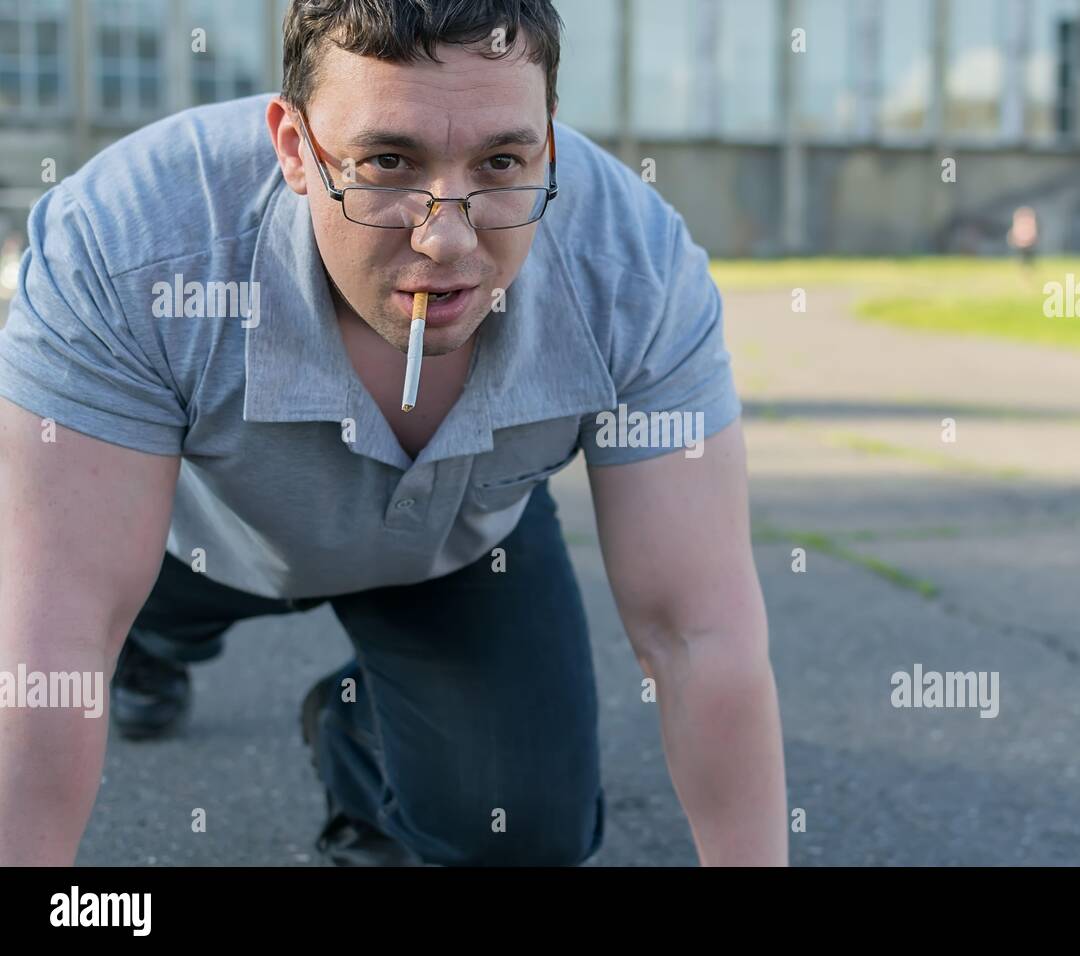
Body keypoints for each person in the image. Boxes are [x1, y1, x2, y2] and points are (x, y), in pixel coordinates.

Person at [0, 0, 787, 867]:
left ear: (549, 146)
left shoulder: (633, 270)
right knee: (97, 607)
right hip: (178, 538)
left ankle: (366, 737)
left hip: (449, 549)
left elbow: (696, 633)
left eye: (500, 161)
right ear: (295, 148)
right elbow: (53, 641)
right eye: (387, 160)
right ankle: (155, 645)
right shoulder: (130, 243)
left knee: (518, 831)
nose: (447, 239)